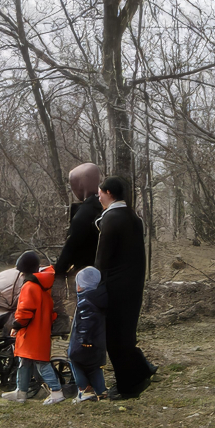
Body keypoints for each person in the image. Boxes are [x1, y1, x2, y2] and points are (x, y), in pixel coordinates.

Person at [94, 176, 156, 399]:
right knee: (126, 334)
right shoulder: (132, 216)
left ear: (109, 192)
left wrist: (94, 284)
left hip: (116, 287)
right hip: (134, 284)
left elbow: (102, 260)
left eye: (100, 192)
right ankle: (140, 370)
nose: (98, 196)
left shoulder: (111, 218)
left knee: (115, 339)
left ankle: (128, 386)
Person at [1, 251, 66, 405]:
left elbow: (25, 312)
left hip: (31, 332)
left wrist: (16, 325)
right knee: (25, 362)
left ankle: (56, 392)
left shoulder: (29, 286)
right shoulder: (44, 284)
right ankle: (21, 392)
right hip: (41, 329)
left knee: (41, 363)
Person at [54, 163, 104, 279]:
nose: (72, 189)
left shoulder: (84, 214)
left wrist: (58, 271)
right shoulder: (106, 207)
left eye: (73, 185)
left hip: (87, 274)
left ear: (81, 184)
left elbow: (71, 247)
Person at [67, 266, 108, 403]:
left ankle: (84, 389)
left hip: (84, 342)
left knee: (74, 360)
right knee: (95, 368)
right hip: (98, 343)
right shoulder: (100, 298)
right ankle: (101, 392)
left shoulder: (86, 302)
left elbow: (86, 323)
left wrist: (83, 340)